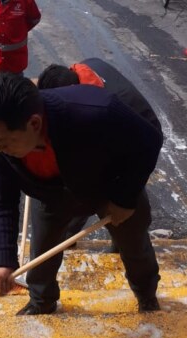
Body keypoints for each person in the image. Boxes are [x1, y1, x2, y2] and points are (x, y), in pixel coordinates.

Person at [0, 73, 164, 315]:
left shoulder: (96, 111)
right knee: (41, 253)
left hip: (110, 185)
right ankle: (42, 302)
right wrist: (4, 260)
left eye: (5, 141)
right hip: (52, 193)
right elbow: (0, 201)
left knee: (134, 245)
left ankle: (147, 296)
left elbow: (148, 140)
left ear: (35, 124)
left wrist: (125, 197)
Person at [36, 58, 163, 245]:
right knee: (81, 188)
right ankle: (69, 234)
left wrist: (124, 200)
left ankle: (123, 245)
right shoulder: (83, 70)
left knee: (124, 211)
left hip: (133, 146)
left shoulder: (113, 110)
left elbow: (147, 150)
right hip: (102, 137)